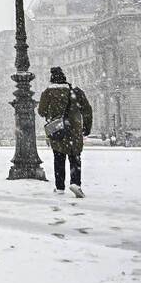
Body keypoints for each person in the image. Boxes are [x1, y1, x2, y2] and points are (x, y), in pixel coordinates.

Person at [37, 66, 93, 198]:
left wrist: (52, 113)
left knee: (59, 157)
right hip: (74, 129)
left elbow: (41, 111)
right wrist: (87, 127)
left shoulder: (47, 93)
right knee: (75, 158)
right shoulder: (76, 91)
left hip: (57, 129)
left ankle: (60, 186)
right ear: (64, 78)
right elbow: (87, 110)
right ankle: (75, 183)